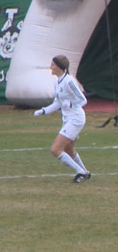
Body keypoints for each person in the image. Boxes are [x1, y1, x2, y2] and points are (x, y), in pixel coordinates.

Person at [33, 55, 90, 183]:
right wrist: (43, 111)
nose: (50, 67)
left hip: (75, 119)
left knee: (55, 150)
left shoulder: (69, 81)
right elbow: (57, 103)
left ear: (59, 67)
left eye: (53, 64)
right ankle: (85, 172)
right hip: (67, 119)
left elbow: (82, 100)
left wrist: (69, 104)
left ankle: (80, 172)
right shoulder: (57, 82)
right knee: (68, 149)